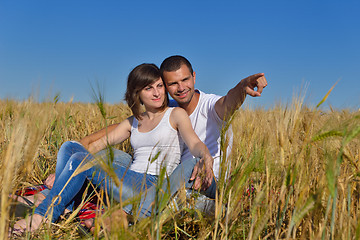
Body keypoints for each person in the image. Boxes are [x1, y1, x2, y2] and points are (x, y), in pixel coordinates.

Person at [10, 63, 214, 235]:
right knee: (71, 147)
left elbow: (194, 142)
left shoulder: (175, 114)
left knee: (81, 160)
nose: (157, 92)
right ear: (138, 94)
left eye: (159, 86)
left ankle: (43, 217)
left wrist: (205, 155)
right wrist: (64, 171)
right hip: (127, 178)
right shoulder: (133, 122)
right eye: (148, 88)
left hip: (150, 184)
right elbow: (96, 145)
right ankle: (64, 201)